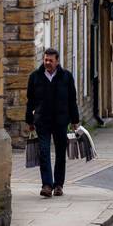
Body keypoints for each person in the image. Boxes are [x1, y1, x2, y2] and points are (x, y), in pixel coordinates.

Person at [26, 47, 80, 198]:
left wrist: (75, 120)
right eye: (45, 60)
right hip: (42, 120)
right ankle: (47, 185)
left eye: (50, 60)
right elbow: (30, 101)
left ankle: (58, 185)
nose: (47, 63)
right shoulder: (35, 77)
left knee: (60, 154)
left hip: (61, 121)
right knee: (43, 152)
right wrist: (29, 120)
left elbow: (72, 101)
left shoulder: (66, 77)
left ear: (57, 61)